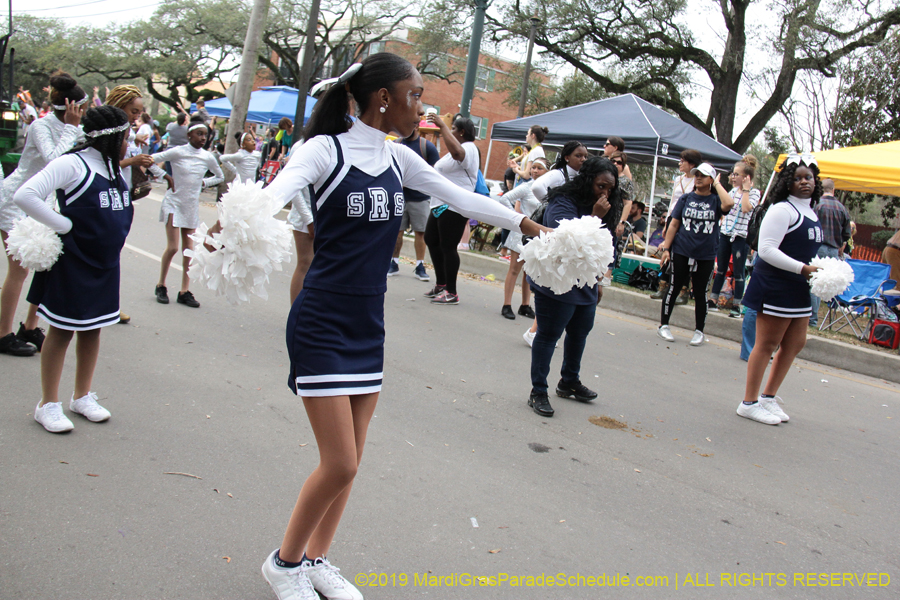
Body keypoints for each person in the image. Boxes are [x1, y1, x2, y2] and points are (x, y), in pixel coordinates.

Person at [255, 53, 545, 600]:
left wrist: (528, 224)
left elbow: (462, 197)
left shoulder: (400, 159)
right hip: (321, 318)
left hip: (368, 321)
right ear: (383, 97)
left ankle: (317, 558)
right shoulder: (324, 149)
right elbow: (280, 189)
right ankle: (284, 563)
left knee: (353, 462)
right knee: (338, 462)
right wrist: (247, 211)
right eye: (415, 95)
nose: (424, 108)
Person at [13, 106, 134, 433]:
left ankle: (81, 396)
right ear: (111, 137)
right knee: (62, 330)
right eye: (125, 137)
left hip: (105, 263)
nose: (129, 144)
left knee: (93, 328)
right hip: (74, 262)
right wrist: (64, 225)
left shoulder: (112, 167)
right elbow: (25, 195)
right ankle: (47, 404)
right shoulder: (72, 163)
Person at [527, 156, 622, 417]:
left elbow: (606, 244)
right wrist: (594, 216)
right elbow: (562, 240)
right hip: (557, 279)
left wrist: (602, 279)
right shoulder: (563, 200)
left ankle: (569, 381)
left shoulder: (607, 206)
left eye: (610, 189)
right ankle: (538, 391)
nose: (605, 193)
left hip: (585, 281)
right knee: (548, 335)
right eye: (600, 186)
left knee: (579, 333)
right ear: (588, 180)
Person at [0, 72, 86, 358]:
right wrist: (71, 129)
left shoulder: (74, 127)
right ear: (72, 108)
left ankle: (29, 325)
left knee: (45, 265)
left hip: (44, 202)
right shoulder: (41, 125)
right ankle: (2, 334)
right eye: (80, 109)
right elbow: (53, 160)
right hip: (17, 200)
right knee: (20, 269)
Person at [739, 154, 824, 425]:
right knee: (766, 344)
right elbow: (765, 250)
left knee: (795, 343)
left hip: (799, 285)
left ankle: (768, 397)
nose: (803, 182)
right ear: (787, 182)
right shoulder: (781, 209)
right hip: (776, 283)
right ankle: (749, 402)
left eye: (808, 177)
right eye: (797, 178)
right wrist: (802, 268)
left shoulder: (811, 210)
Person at [105, 85, 175, 325]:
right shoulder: (105, 130)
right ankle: (105, 307)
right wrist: (131, 161)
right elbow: (103, 165)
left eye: (139, 111)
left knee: (114, 254)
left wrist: (163, 175)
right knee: (106, 254)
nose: (136, 116)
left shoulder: (127, 131)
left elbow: (141, 159)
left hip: (123, 197)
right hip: (107, 198)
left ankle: (110, 306)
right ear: (119, 104)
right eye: (133, 110)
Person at [150, 115, 224, 308]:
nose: (202, 138)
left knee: (188, 251)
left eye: (205, 135)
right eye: (199, 134)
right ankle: (161, 285)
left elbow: (219, 176)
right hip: (173, 202)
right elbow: (150, 160)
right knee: (173, 247)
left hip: (190, 206)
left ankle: (184, 290)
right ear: (189, 134)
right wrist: (165, 175)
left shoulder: (207, 156)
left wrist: (203, 183)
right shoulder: (177, 151)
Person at [656, 162, 734, 346]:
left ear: (711, 179)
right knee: (674, 287)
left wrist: (716, 184)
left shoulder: (715, 201)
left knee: (700, 293)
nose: (698, 177)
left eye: (703, 175)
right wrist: (666, 249)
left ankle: (699, 330)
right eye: (696, 174)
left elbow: (729, 203)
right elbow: (674, 224)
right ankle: (664, 325)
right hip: (682, 250)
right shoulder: (686, 199)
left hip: (706, 254)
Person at [524, 140, 589, 345]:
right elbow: (537, 187)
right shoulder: (559, 174)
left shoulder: (582, 177)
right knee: (554, 279)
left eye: (585, 156)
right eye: (578, 155)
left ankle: (537, 330)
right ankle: (536, 331)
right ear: (567, 156)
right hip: (556, 230)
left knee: (560, 280)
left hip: (571, 233)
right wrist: (554, 202)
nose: (583, 159)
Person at [422, 114, 482, 305]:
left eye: (454, 128)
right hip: (440, 203)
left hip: (455, 205)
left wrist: (442, 127)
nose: (451, 131)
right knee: (431, 239)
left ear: (462, 132)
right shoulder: (452, 149)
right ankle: (441, 284)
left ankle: (452, 292)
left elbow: (459, 155)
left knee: (448, 246)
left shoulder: (469, 148)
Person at [709, 155, 761, 318]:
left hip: (740, 236)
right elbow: (726, 204)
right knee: (721, 268)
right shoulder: (732, 191)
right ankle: (713, 299)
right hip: (726, 233)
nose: (733, 177)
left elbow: (746, 208)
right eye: (733, 174)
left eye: (736, 174)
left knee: (738, 271)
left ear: (746, 177)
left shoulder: (754, 193)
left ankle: (737, 304)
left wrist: (745, 190)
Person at [499, 157, 551, 319]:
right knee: (514, 269)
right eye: (533, 167)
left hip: (537, 236)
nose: (535, 171)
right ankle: (507, 305)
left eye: (539, 168)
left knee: (530, 272)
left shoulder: (550, 190)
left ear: (548, 172)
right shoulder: (527, 187)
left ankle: (525, 305)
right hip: (520, 233)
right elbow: (505, 198)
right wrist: (518, 218)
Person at [388, 118, 439, 280]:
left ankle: (420, 265)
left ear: (418, 126)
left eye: (414, 123)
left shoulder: (426, 147)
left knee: (421, 233)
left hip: (420, 197)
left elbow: (435, 172)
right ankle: (393, 262)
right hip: (399, 196)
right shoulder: (396, 144)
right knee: (397, 232)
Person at [652, 148, 703, 302]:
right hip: (673, 218)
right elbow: (673, 201)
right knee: (667, 251)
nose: (680, 164)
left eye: (683, 161)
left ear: (692, 164)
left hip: (686, 221)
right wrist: (667, 222)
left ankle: (683, 290)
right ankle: (663, 286)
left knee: (682, 256)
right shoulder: (679, 179)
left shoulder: (697, 180)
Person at [809, 178, 851, 327]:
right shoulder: (842, 208)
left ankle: (812, 318)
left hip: (817, 247)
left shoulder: (816, 205)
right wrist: (842, 242)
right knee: (827, 284)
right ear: (834, 190)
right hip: (833, 249)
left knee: (814, 281)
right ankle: (825, 320)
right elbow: (847, 233)